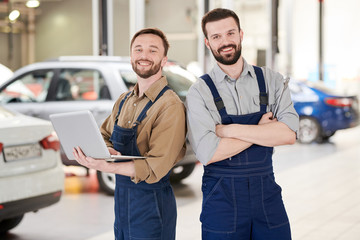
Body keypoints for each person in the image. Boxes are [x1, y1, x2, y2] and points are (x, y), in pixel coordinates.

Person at [186, 8, 299, 240]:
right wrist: (264, 131)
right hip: (221, 199)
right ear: (207, 43)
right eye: (216, 37)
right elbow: (209, 152)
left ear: (241, 34)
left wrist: (229, 130)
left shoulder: (271, 80)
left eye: (230, 33)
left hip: (267, 195)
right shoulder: (199, 92)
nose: (225, 41)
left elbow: (288, 134)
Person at [73, 28, 186, 240]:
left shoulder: (169, 105)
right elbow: (104, 134)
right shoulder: (124, 100)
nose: (144, 55)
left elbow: (156, 167)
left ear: (163, 60)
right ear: (131, 56)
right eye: (138, 49)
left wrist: (105, 166)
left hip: (152, 205)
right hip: (123, 203)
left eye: (153, 50)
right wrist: (105, 150)